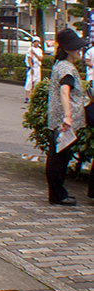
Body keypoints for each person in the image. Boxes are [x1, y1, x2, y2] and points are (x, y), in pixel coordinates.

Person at [45, 28, 86, 207]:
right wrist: (68, 117)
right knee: (59, 159)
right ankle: (58, 195)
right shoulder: (66, 67)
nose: (80, 51)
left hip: (58, 122)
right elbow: (64, 90)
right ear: (68, 49)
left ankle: (57, 193)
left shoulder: (60, 64)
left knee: (57, 157)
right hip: (63, 124)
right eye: (77, 48)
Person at [25, 38, 43, 103]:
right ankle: (27, 97)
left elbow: (40, 58)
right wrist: (31, 67)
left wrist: (34, 53)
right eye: (35, 42)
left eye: (38, 42)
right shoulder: (30, 49)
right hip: (32, 67)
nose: (37, 43)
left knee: (37, 82)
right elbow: (29, 59)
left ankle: (35, 97)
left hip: (37, 67)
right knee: (29, 82)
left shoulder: (39, 50)